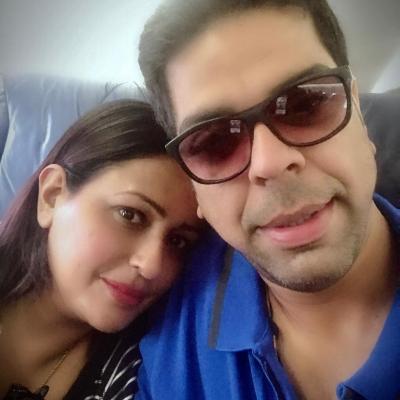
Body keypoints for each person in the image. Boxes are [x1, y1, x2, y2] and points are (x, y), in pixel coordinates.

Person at [136, 0, 400, 399]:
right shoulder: (170, 333)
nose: (270, 163)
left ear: (358, 114)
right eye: (214, 142)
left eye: (306, 104)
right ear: (193, 188)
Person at [0, 99, 202, 399]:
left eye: (177, 241)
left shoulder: (138, 375)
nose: (152, 266)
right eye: (130, 215)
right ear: (52, 196)